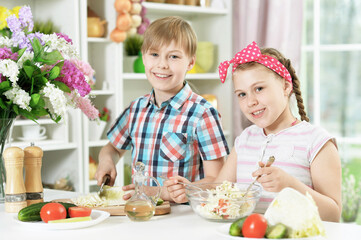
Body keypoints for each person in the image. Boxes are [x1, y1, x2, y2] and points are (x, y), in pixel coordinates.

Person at [164, 41, 342, 222]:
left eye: (259, 89)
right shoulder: (245, 140)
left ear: (286, 87)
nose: (250, 102)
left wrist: (290, 185)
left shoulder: (316, 141)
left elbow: (333, 214)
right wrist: (191, 191)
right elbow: (219, 192)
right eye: (242, 94)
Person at [95, 16, 229, 202]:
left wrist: (170, 193)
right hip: (140, 210)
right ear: (144, 57)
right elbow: (112, 149)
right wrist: (106, 161)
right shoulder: (136, 109)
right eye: (154, 54)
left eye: (173, 56)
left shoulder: (203, 113)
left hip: (181, 217)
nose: (162, 64)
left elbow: (217, 180)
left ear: (190, 62)